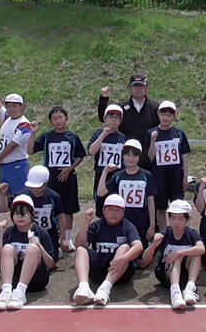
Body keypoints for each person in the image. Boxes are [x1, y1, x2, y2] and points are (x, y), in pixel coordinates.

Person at [28, 106, 87, 251]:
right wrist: (32, 133)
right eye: (54, 119)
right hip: (50, 177)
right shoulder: (47, 137)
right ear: (50, 122)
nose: (58, 121)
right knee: (51, 206)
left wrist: (70, 168)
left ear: (66, 119)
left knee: (68, 208)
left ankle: (67, 239)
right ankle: (52, 236)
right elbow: (30, 150)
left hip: (68, 177)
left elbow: (80, 156)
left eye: (60, 117)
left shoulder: (73, 137)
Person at [71, 194, 143, 306]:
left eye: (117, 210)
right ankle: (84, 288)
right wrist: (86, 222)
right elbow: (79, 244)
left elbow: (138, 246)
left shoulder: (127, 226)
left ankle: (104, 289)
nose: (113, 213)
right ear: (104, 211)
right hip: (99, 269)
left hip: (120, 272)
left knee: (125, 247)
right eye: (110, 209)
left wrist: (124, 258)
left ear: (123, 213)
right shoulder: (97, 225)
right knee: (81, 250)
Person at [0, 194, 58, 310]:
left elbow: (51, 264)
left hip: (36, 280)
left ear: (32, 215)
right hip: (14, 279)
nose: (20, 216)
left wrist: (39, 246)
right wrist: (0, 234)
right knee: (7, 248)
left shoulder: (40, 232)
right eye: (16, 213)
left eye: (24, 213)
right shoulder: (9, 232)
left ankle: (21, 293)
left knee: (32, 248)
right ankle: (6, 292)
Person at [138, 200, 204, 310]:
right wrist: (154, 245)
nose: (176, 222)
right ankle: (175, 292)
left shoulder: (192, 233)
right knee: (176, 258)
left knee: (196, 253)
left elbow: (202, 249)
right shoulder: (165, 234)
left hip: (186, 272)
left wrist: (179, 253)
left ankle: (190, 288)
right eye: (173, 218)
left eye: (180, 218)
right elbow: (144, 258)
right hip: (167, 272)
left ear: (188, 220)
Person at [97, 139, 157, 248]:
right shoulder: (118, 176)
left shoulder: (146, 175)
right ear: (123, 156)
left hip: (140, 221)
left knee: (140, 252)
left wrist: (152, 225)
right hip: (122, 221)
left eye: (135, 155)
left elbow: (150, 201)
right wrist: (105, 172)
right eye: (128, 155)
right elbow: (101, 193)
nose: (131, 158)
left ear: (139, 157)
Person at [144, 101, 191, 231]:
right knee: (161, 207)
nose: (166, 118)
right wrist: (153, 141)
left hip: (176, 175)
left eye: (169, 115)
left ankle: (179, 232)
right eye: (163, 114)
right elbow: (150, 157)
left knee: (178, 206)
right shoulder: (151, 133)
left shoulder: (179, 133)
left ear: (174, 116)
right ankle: (164, 233)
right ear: (158, 114)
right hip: (159, 176)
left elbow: (184, 155)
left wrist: (185, 176)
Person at [0, 78, 32, 196]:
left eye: (14, 106)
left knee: (21, 196)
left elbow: (13, 144)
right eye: (8, 106)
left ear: (22, 107)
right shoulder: (7, 118)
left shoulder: (24, 124)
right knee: (7, 196)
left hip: (17, 165)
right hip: (5, 166)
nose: (11, 109)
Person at [97, 75, 160, 168]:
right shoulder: (121, 107)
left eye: (141, 86)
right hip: (127, 157)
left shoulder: (155, 108)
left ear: (147, 88)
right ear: (130, 88)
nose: (138, 89)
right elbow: (103, 118)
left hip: (150, 158)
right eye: (135, 86)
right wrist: (104, 99)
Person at [7, 165, 65, 259]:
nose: (34, 189)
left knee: (50, 258)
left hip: (49, 235)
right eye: (32, 186)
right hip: (24, 234)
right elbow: (5, 208)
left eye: (37, 187)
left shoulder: (53, 197)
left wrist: (63, 238)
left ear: (46, 183)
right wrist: (2, 195)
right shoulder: (21, 196)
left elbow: (61, 217)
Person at [87, 104, 127, 217]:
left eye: (116, 118)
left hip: (117, 175)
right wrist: (102, 136)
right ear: (104, 119)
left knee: (116, 203)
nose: (113, 120)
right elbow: (91, 152)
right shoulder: (98, 134)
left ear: (120, 121)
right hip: (101, 175)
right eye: (110, 117)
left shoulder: (122, 137)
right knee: (101, 203)